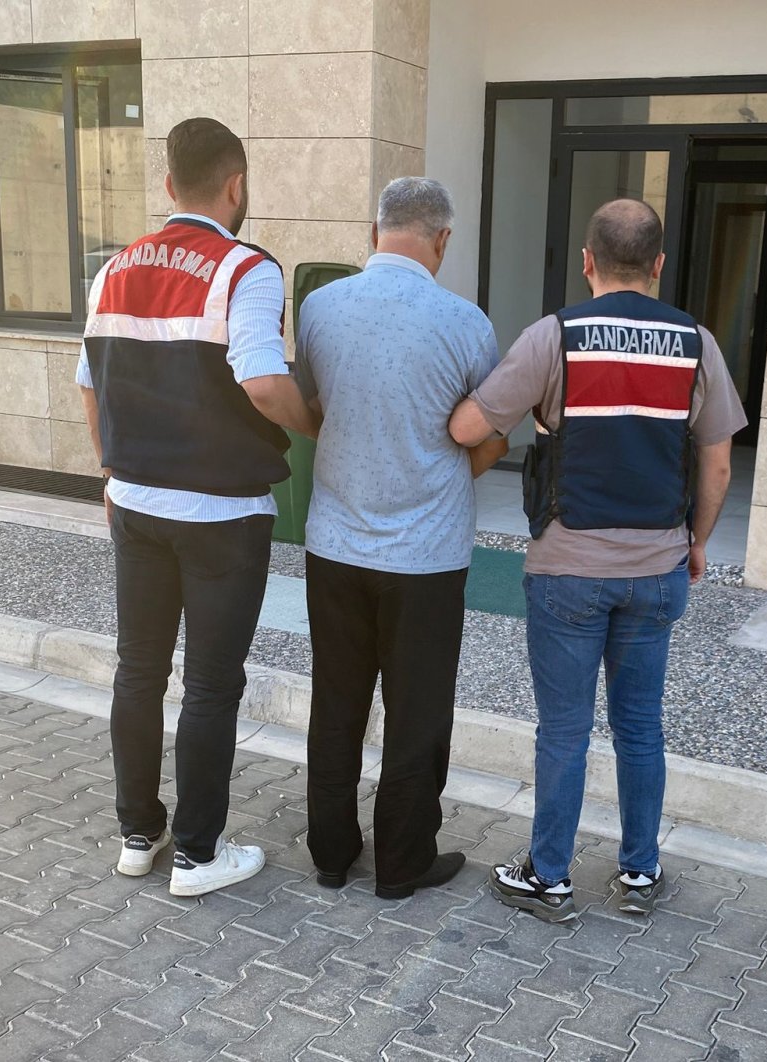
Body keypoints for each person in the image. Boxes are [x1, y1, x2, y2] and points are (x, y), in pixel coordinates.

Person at [449, 198, 744, 922]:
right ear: (659, 265)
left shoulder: (556, 336)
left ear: (587, 262)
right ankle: (640, 873)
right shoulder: (696, 343)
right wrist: (696, 542)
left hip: (568, 570)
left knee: (565, 729)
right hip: (657, 569)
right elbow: (718, 468)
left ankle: (549, 877)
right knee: (641, 725)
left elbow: (468, 426)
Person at [77, 117, 318, 897]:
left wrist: (110, 474)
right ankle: (198, 854)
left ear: (171, 184)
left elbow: (89, 385)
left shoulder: (114, 267)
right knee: (213, 684)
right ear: (236, 184)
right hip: (220, 512)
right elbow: (261, 381)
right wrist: (319, 425)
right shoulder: (245, 268)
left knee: (138, 670)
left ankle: (138, 834)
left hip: (135, 503)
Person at [295, 177, 507, 899]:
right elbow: (487, 440)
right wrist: (450, 468)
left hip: (333, 544)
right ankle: (402, 863)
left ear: (376, 228)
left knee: (337, 702)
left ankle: (330, 852)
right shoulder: (467, 323)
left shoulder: (319, 308)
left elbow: (315, 404)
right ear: (442, 239)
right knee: (417, 715)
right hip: (427, 555)